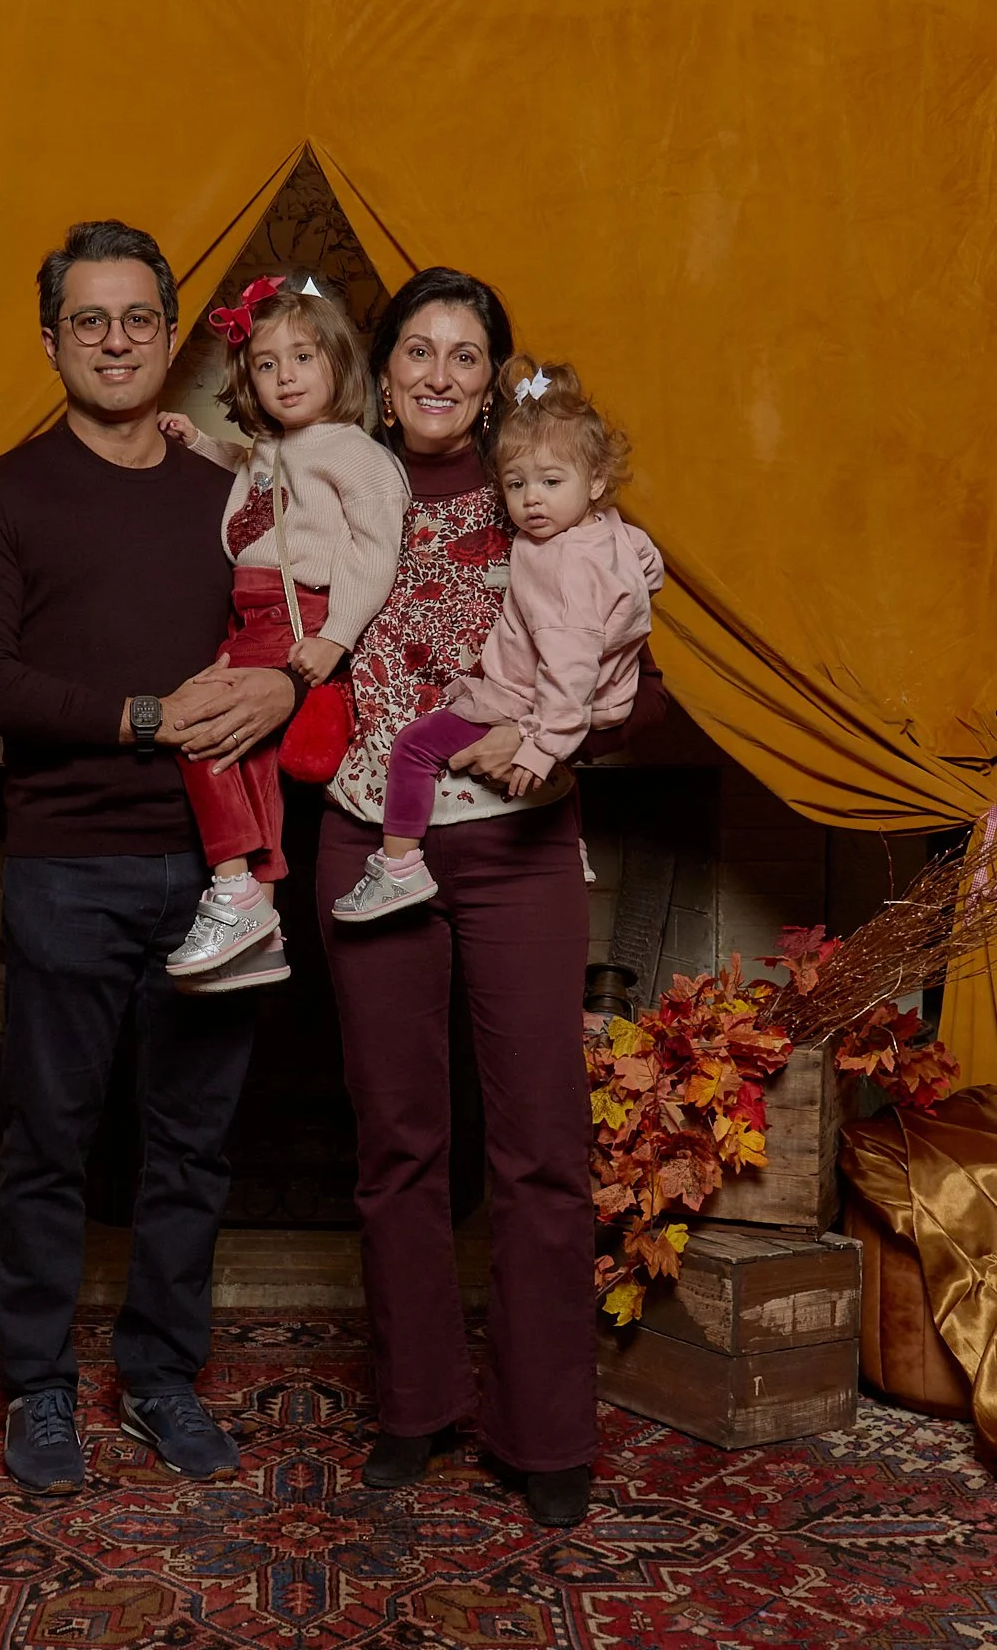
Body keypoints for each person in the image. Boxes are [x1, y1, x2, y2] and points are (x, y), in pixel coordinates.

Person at [0, 219, 304, 1495]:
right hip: (68, 867)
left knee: (192, 1143)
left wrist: (278, 690)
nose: (114, 341)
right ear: (50, 343)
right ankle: (39, 1386)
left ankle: (158, 1377)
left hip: (220, 874)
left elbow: (306, 618)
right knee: (51, 1140)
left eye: (137, 317)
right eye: (87, 320)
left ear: (170, 334)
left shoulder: (229, 497)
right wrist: (143, 716)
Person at [316, 268, 668, 1528]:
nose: (440, 373)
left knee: (541, 1142)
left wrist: (565, 735)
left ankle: (546, 1426)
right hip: (373, 835)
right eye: (418, 349)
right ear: (382, 371)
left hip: (519, 841)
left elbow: (639, 675)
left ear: (495, 382)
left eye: (466, 354)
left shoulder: (546, 490)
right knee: (398, 1138)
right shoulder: (335, 480)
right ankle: (416, 1405)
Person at [332, 355, 663, 922]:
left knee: (414, 746)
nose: (532, 499)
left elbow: (569, 670)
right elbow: (645, 567)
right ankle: (573, 845)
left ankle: (399, 867)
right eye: (516, 484)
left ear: (596, 482)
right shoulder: (605, 532)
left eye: (550, 482)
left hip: (530, 703)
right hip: (590, 697)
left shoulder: (560, 569)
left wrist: (540, 745)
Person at [157, 273, 406, 989]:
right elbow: (255, 475)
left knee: (199, 725)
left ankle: (234, 883)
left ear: (337, 363)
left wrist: (338, 637)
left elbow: (374, 549)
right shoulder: (273, 446)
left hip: (300, 615)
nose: (285, 376)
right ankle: (261, 922)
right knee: (247, 756)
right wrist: (200, 443)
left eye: (302, 357)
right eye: (266, 364)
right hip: (251, 617)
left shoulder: (353, 452)